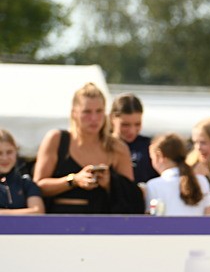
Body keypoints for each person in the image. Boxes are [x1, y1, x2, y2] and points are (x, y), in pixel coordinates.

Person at [33, 83, 137, 214]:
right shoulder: (57, 139)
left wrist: (110, 183)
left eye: (99, 111)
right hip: (59, 225)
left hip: (103, 226)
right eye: (87, 112)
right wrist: (74, 180)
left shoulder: (118, 147)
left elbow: (131, 196)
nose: (94, 118)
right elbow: (37, 187)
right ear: (74, 113)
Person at [144, 133, 210, 216]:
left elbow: (150, 221)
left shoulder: (153, 185)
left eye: (152, 158)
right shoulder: (201, 180)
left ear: (160, 156)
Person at [110, 93, 156, 184]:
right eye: (125, 125)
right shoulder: (100, 145)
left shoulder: (149, 147)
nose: (132, 131)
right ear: (112, 118)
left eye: (137, 124)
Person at [0, 128, 45, 214]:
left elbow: (38, 211)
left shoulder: (26, 183)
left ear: (16, 152)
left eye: (9, 152)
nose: (4, 158)